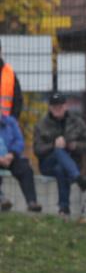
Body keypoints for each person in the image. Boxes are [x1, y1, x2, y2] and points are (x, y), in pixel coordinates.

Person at [33, 92, 86, 216]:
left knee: (61, 169)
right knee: (58, 150)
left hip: (72, 162)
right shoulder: (42, 124)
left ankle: (63, 208)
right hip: (48, 163)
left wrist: (74, 145)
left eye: (59, 106)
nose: (57, 109)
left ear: (65, 106)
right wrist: (53, 145)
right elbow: (37, 150)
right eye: (54, 107)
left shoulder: (77, 122)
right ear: (49, 107)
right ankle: (77, 177)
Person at [0, 41, 24, 208]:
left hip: (5, 128)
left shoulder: (9, 73)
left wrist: (12, 122)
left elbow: (17, 100)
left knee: (16, 161)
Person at [0, 114, 41, 212]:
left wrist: (11, 154)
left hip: (10, 156)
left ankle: (31, 202)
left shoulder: (10, 122)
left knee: (25, 169)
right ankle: (2, 200)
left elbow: (19, 141)